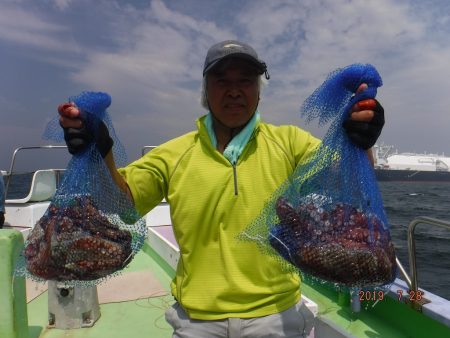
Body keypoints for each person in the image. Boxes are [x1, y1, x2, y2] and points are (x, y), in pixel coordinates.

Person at [58, 40, 384, 337]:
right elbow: (122, 206)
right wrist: (100, 151)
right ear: (205, 90)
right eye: (222, 81)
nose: (234, 90)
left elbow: (347, 181)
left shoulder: (291, 143)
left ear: (258, 89)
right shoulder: (174, 153)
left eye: (245, 80)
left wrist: (359, 140)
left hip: (276, 316)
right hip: (196, 320)